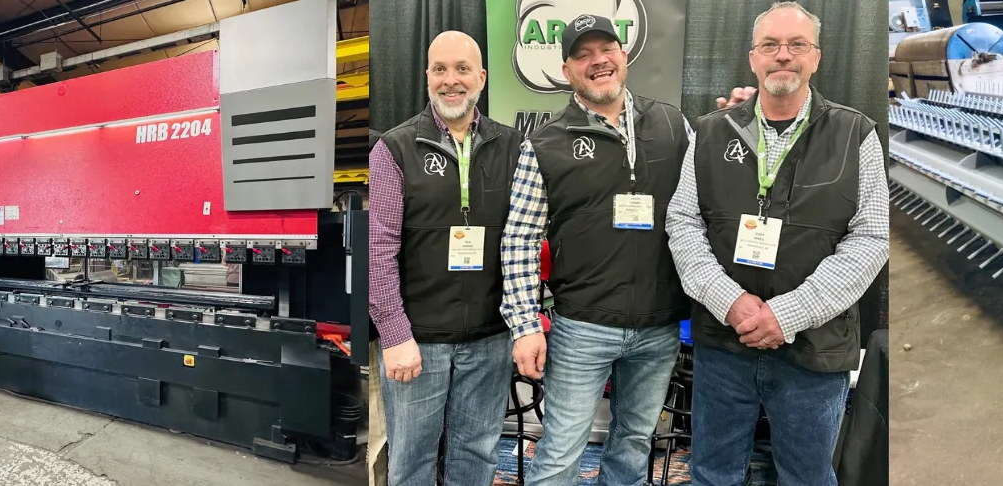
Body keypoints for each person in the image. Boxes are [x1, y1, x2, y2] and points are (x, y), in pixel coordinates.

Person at [665, 2, 889, 485]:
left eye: (796, 45)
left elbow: (870, 238)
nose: (782, 55)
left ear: (816, 57)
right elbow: (682, 223)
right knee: (711, 474)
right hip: (725, 343)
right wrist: (731, 303)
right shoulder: (709, 132)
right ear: (752, 58)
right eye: (770, 45)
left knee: (807, 477)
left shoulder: (856, 134)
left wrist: (786, 314)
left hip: (814, 351)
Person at [499, 14, 691, 486]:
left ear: (623, 56)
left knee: (633, 445)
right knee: (561, 449)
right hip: (581, 328)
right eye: (582, 55)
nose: (597, 61)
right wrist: (525, 325)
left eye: (605, 49)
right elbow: (520, 238)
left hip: (658, 325)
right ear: (566, 71)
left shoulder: (674, 125)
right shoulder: (544, 145)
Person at [368, 30, 525, 486]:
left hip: (489, 339)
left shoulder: (512, 147)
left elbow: (523, 240)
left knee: (476, 457)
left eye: (461, 70)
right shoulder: (394, 149)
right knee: (412, 462)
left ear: (481, 77)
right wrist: (395, 334)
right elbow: (378, 251)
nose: (450, 80)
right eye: (440, 69)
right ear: (427, 77)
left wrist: (520, 327)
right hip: (418, 342)